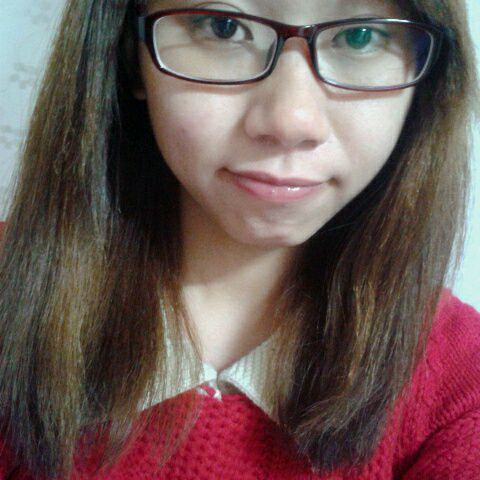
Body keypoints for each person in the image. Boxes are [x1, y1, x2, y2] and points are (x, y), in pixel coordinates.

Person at [0, 0, 479, 478]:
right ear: (130, 54)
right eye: (223, 27)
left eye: (360, 37)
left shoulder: (461, 390)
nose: (290, 122)